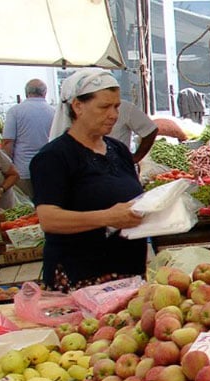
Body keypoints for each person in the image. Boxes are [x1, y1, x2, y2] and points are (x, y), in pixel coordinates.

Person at [30, 69, 146, 291]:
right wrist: (107, 217)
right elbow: (49, 219)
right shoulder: (53, 157)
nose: (113, 115)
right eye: (104, 107)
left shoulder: (119, 150)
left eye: (116, 107)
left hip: (128, 272)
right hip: (81, 277)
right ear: (78, 106)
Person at [2, 79, 54, 199]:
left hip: (22, 169)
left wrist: (8, 169)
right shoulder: (53, 112)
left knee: (27, 209)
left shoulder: (15, 111)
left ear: (26, 92)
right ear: (45, 93)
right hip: (48, 167)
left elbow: (7, 142)